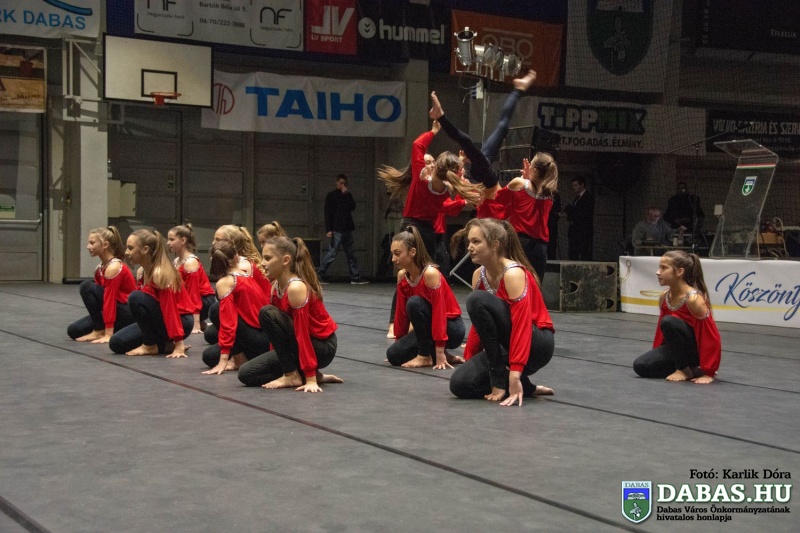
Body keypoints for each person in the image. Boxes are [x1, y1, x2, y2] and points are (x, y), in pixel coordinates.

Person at [450, 218, 555, 406]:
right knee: (460, 384)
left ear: (495, 245)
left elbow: (522, 325)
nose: (469, 247)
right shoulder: (478, 275)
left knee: (476, 299)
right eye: (469, 242)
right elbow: (480, 325)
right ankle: (527, 387)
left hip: (537, 344)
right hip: (507, 344)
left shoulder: (513, 273)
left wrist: (514, 373)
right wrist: (470, 361)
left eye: (476, 242)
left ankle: (503, 379)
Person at [238, 236, 343, 392]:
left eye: (268, 258)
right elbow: (277, 334)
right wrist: (278, 359)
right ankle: (296, 374)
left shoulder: (296, 287)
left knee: (266, 313)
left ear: (285, 260)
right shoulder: (275, 286)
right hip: (298, 344)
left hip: (322, 347)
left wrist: (311, 378)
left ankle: (293, 375)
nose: (263, 263)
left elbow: (302, 332)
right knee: (246, 374)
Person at [429, 69, 538, 189]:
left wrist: (461, 162)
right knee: (501, 127)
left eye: (459, 170)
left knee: (471, 139)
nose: (462, 172)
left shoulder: (459, 187)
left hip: (484, 175)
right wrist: (526, 181)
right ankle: (518, 90)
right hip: (484, 175)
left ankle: (441, 117)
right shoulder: (467, 189)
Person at [632, 250, 721, 384]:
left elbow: (710, 336)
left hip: (695, 351)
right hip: (677, 349)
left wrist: (709, 371)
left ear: (679, 272)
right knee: (640, 366)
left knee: (668, 322)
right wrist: (656, 352)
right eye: (659, 268)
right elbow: (662, 333)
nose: (658, 272)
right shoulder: (665, 296)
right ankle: (691, 370)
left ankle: (684, 369)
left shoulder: (694, 299)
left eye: (664, 268)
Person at [386, 226, 465, 369]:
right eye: (392, 254)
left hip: (451, 327)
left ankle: (426, 356)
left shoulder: (430, 273)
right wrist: (400, 343)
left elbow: (439, 313)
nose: (393, 259)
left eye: (397, 254)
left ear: (412, 252)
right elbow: (401, 314)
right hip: (427, 325)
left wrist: (440, 351)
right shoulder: (402, 276)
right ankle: (441, 354)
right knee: (394, 355)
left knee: (414, 303)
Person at [109, 230, 193, 357]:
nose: (126, 252)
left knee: (135, 297)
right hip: (160, 319)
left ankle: (150, 345)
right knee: (116, 343)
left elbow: (170, 309)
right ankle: (164, 345)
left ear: (145, 249)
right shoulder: (141, 272)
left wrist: (179, 344)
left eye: (130, 248)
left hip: (181, 321)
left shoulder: (159, 274)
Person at [201, 240, 270, 376]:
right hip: (263, 336)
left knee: (216, 310)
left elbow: (228, 322)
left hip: (259, 339)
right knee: (209, 356)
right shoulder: (244, 273)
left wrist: (224, 359)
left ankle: (239, 359)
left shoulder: (226, 282)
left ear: (213, 259)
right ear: (237, 256)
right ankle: (241, 356)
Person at [204, 225, 272, 345]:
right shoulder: (235, 263)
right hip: (247, 315)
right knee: (210, 334)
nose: (213, 243)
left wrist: (227, 351)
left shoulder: (242, 266)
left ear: (231, 243)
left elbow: (240, 307)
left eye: (218, 240)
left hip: (257, 319)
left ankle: (240, 351)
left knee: (216, 310)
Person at [67, 226, 136, 343]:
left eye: (92, 243)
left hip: (126, 312)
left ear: (105, 245)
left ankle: (100, 330)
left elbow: (109, 300)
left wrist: (108, 333)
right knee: (74, 330)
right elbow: (99, 303)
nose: (88, 246)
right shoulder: (99, 268)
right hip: (114, 311)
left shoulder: (114, 267)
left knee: (86, 286)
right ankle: (106, 328)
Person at [503, 155, 559, 281]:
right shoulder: (550, 193)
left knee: (514, 283)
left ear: (534, 170)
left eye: (531, 166)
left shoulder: (519, 183)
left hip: (519, 243)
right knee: (535, 285)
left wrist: (524, 179)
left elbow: (499, 201)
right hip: (540, 248)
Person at [317, 174, 369, 285]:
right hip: (336, 229)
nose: (342, 185)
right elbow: (327, 213)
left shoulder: (347, 195)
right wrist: (328, 229)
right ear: (336, 182)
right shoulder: (331, 195)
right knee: (332, 253)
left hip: (347, 228)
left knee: (351, 253)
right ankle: (319, 274)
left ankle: (355, 277)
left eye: (344, 183)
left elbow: (352, 207)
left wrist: (346, 194)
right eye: (340, 183)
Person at [167, 224, 215, 333]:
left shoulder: (190, 262)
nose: (168, 243)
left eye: (172, 239)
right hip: (189, 299)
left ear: (183, 240)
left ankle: (197, 322)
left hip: (204, 301)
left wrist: (195, 324)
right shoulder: (176, 261)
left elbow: (194, 293)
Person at [564, 176, 594, 261]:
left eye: (576, 185)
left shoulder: (588, 198)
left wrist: (570, 212)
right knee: (573, 252)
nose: (574, 187)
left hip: (583, 231)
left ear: (582, 185)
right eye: (573, 185)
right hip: (575, 230)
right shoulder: (577, 198)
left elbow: (582, 213)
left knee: (584, 252)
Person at [547, 191, 561, 260]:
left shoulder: (555, 195)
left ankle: (551, 260)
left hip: (551, 224)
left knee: (552, 245)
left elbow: (558, 210)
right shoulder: (542, 194)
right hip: (544, 224)